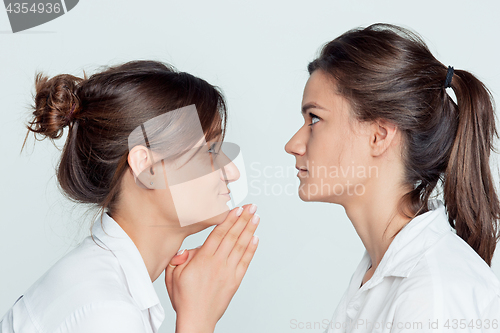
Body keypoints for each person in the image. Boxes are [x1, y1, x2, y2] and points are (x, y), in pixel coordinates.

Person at [0, 60, 260, 333]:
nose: (231, 171)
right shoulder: (106, 312)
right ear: (147, 168)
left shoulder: (102, 288)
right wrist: (198, 319)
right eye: (210, 151)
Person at [283, 23, 500, 332]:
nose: (293, 145)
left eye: (315, 118)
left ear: (379, 135)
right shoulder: (378, 272)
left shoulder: (433, 296)